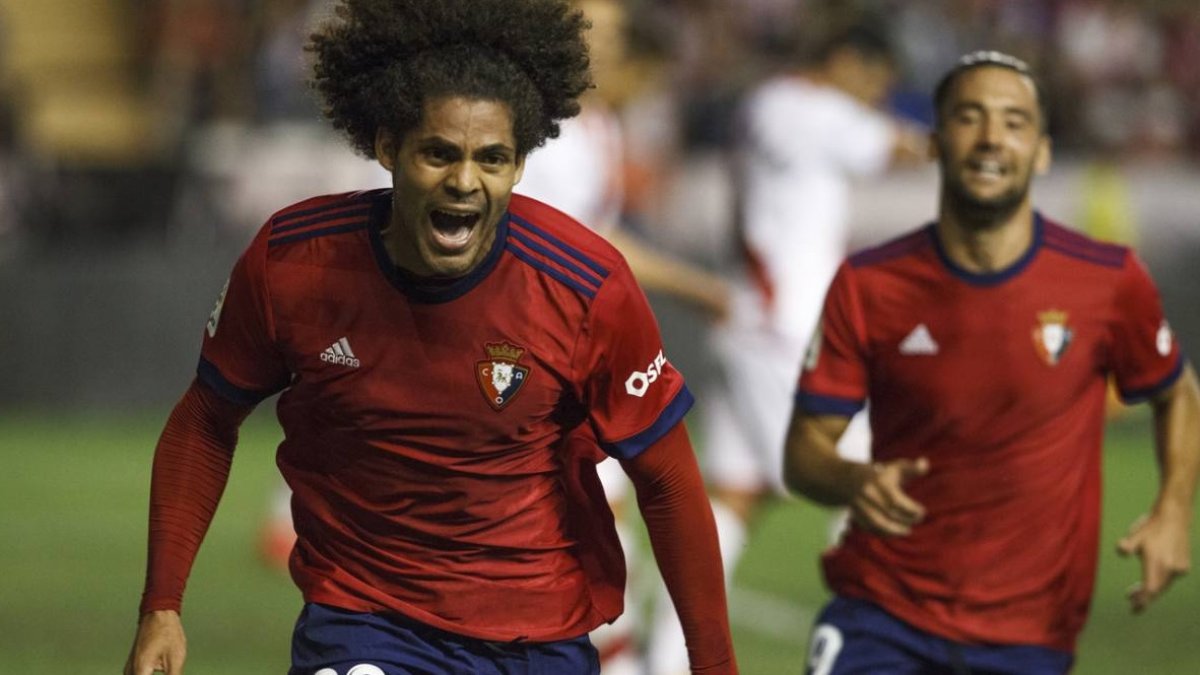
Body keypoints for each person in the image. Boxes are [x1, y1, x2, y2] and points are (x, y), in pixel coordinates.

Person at [122, 1, 739, 674]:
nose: (465, 182)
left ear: (521, 165)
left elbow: (669, 478)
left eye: (492, 159)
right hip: (366, 623)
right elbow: (207, 419)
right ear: (387, 146)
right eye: (438, 153)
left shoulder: (585, 285)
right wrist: (163, 603)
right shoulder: (295, 262)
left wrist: (713, 662)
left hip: (538, 637)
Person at [785, 50, 1200, 674]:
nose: (990, 139)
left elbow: (1176, 392)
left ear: (1042, 151)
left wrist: (1172, 511)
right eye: (969, 117)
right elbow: (804, 455)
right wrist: (852, 481)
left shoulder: (1108, 281)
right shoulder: (869, 283)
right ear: (933, 143)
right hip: (882, 613)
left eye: (1013, 122)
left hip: (1029, 634)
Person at [646, 22, 927, 675]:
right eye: (874, 79)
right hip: (788, 331)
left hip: (751, 315)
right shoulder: (812, 108)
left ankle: (667, 661)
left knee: (734, 496)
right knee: (870, 483)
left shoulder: (765, 104)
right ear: (848, 60)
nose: (875, 94)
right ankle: (879, 654)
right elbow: (902, 148)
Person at [515, 1, 729, 673]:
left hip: (581, 367)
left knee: (610, 551)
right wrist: (702, 288)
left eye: (609, 34)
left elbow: (598, 247)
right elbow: (581, 250)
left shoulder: (594, 126)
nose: (600, 48)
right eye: (590, 32)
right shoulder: (535, 131)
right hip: (530, 371)